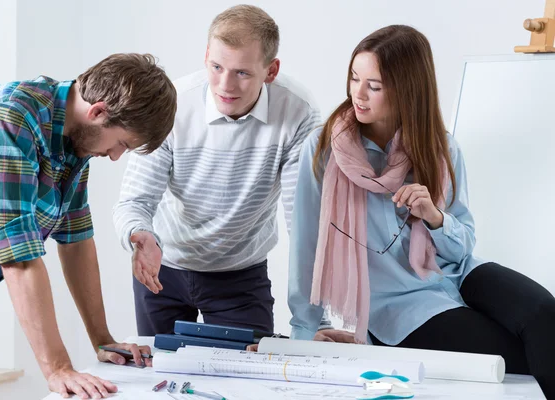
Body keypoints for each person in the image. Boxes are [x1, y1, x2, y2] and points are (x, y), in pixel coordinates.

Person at [287, 25, 555, 397]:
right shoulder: (325, 152)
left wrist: (435, 218)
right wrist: (303, 333)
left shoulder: (440, 146)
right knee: (516, 356)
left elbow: (464, 244)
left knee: (546, 317)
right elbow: (307, 244)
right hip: (400, 304)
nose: (357, 94)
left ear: (407, 89)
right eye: (354, 78)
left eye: (374, 86)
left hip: (458, 274)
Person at [0, 53, 177, 399]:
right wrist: (57, 368)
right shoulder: (12, 119)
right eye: (121, 143)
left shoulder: (74, 140)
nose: (116, 156)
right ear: (99, 111)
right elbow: (18, 257)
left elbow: (77, 241)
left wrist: (103, 340)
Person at [113, 5, 324, 336]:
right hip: (162, 269)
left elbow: (304, 223)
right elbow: (134, 201)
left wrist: (313, 323)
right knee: (157, 381)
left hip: (240, 276)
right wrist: (140, 235)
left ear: (271, 70)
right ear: (206, 55)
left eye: (242, 73)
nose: (225, 85)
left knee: (247, 383)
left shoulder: (299, 112)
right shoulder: (174, 105)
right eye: (216, 66)